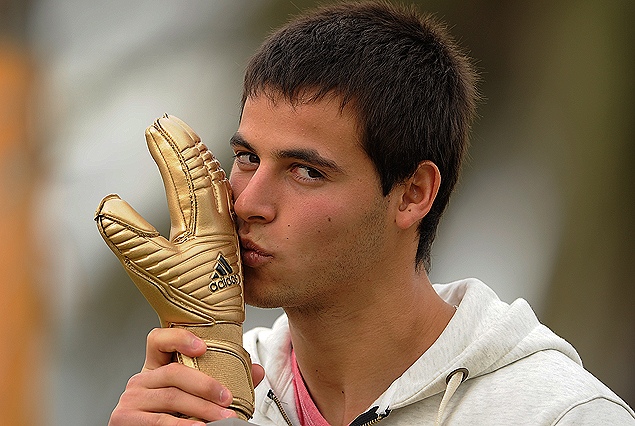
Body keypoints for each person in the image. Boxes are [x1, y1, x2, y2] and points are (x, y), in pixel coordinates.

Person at [107, 1, 635, 425]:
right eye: (247, 158)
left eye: (305, 171)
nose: (246, 202)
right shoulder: (207, 394)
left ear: (412, 194)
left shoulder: (557, 414)